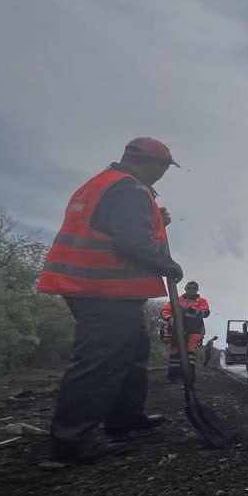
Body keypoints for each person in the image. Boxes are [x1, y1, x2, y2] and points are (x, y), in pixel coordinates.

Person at [36, 137, 184, 462]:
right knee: (100, 361)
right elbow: (131, 239)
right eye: (163, 168)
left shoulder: (100, 184)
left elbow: (114, 225)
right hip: (103, 289)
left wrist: (158, 222)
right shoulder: (129, 188)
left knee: (132, 353)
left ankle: (125, 418)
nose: (163, 175)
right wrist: (167, 264)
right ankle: (72, 441)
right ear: (154, 165)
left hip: (93, 286)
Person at [162, 281, 211, 380]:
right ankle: (173, 376)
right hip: (177, 327)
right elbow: (165, 311)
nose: (191, 290)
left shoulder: (201, 300)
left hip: (194, 329)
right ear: (185, 288)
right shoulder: (177, 299)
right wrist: (169, 318)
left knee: (190, 352)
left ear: (197, 289)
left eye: (194, 288)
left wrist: (190, 309)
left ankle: (189, 376)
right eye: (189, 288)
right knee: (174, 351)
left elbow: (205, 313)